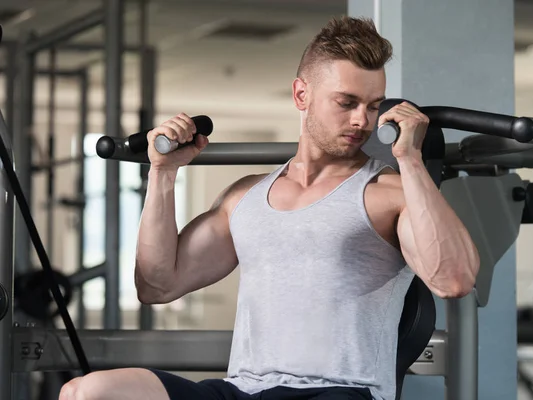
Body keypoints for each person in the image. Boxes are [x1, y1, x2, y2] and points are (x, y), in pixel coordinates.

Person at [59, 16, 479, 400]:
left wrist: (410, 160)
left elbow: (454, 279)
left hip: (341, 392)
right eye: (346, 102)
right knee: (87, 392)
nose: (362, 121)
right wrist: (163, 173)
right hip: (243, 390)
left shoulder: (387, 192)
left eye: (373, 106)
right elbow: (156, 285)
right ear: (302, 94)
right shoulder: (245, 197)